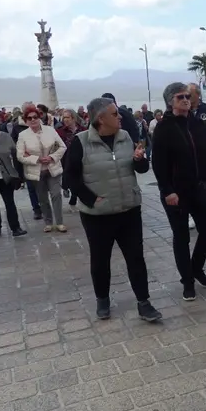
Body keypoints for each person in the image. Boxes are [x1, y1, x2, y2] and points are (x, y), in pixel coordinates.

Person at [64, 97, 161, 322]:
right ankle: (102, 300)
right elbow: (70, 176)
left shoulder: (125, 136)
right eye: (115, 114)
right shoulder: (81, 141)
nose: (120, 117)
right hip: (97, 215)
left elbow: (142, 168)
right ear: (101, 119)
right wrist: (91, 199)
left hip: (128, 209)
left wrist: (139, 160)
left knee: (136, 258)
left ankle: (144, 303)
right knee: (100, 259)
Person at [152, 82, 206, 301]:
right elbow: (158, 164)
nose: (186, 100)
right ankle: (187, 281)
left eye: (188, 96)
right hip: (176, 193)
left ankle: (195, 268)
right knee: (182, 237)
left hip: (200, 189)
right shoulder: (163, 128)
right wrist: (167, 190)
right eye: (180, 97)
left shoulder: (197, 124)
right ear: (170, 101)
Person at [17, 107, 67, 233]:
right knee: (42, 198)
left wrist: (51, 157)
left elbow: (62, 146)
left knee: (56, 195)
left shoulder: (50, 130)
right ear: (26, 120)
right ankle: (48, 222)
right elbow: (20, 155)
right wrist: (37, 159)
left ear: (40, 118)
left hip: (53, 168)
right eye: (29, 118)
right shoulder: (23, 135)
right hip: (36, 172)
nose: (33, 120)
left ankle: (60, 222)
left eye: (35, 117)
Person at [56, 109, 83, 213]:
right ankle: (68, 192)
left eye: (67, 117)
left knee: (80, 180)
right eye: (64, 117)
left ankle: (73, 200)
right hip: (66, 161)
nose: (65, 120)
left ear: (73, 118)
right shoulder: (60, 132)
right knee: (71, 181)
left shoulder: (83, 130)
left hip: (81, 159)